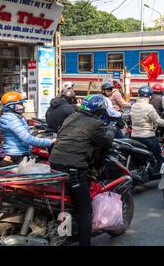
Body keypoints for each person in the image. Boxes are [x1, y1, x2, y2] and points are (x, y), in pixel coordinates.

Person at [49, 94, 117, 246]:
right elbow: (105, 142)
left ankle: (64, 233)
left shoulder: (71, 117)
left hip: (54, 164)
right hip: (73, 169)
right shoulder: (95, 123)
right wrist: (112, 130)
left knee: (65, 201)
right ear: (99, 111)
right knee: (85, 209)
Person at [131, 86, 164, 178]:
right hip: (147, 137)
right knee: (159, 154)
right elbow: (158, 121)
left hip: (134, 136)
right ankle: (160, 173)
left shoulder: (133, 106)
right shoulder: (149, 107)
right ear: (149, 97)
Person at [0, 92, 54, 164]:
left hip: (17, 152)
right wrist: (50, 142)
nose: (22, 106)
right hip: (17, 155)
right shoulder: (11, 119)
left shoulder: (13, 116)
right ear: (11, 106)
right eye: (20, 104)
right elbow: (27, 138)